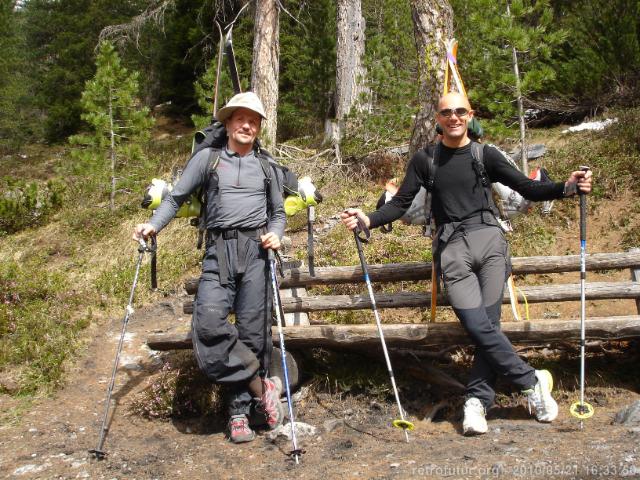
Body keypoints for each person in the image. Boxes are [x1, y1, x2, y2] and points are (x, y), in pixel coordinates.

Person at [341, 91, 592, 436]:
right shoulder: (424, 159)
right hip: (451, 248)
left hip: (489, 241)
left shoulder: (484, 154)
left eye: (460, 111)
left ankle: (476, 402)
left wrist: (566, 187)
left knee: (487, 325)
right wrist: (368, 218)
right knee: (477, 326)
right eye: (447, 112)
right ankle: (532, 381)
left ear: (470, 114)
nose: (454, 117)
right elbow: (399, 204)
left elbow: (526, 188)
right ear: (437, 118)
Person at [134, 92, 286, 444]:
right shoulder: (207, 160)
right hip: (218, 250)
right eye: (240, 119)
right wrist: (154, 225)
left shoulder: (267, 167)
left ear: (259, 127)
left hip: (256, 253)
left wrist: (276, 234)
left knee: (253, 333)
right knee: (208, 325)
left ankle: (242, 414)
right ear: (229, 123)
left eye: (253, 120)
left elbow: (278, 213)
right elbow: (175, 198)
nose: (246, 125)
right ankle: (264, 387)